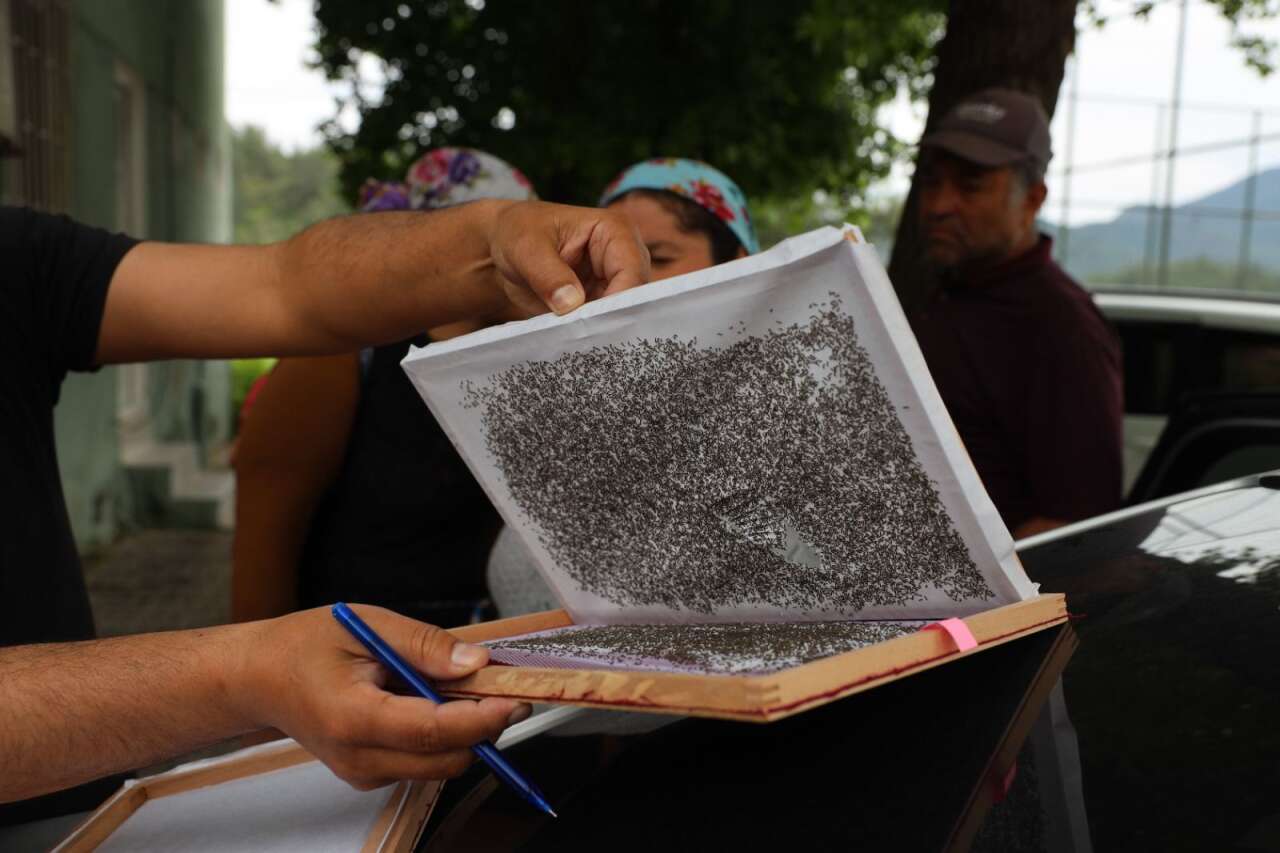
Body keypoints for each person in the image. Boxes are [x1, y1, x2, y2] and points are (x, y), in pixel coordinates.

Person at [0, 197, 649, 807]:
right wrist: (246, 675)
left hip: (88, 814)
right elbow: (268, 517)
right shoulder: (343, 378)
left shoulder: (19, 255)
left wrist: (489, 239)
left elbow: (283, 283)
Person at [231, 149, 538, 629]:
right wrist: (257, 687)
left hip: (502, 664)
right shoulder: (342, 357)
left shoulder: (530, 350)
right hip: (363, 662)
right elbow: (263, 545)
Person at [485, 157, 758, 616]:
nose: (625, 278)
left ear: (737, 263)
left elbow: (807, 565)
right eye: (605, 259)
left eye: (662, 257)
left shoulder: (776, 419)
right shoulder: (561, 414)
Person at [907, 88, 1123, 538]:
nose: (940, 206)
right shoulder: (948, 291)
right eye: (932, 182)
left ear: (1032, 199)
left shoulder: (1061, 327)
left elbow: (1072, 528)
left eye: (970, 185)